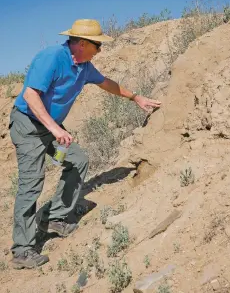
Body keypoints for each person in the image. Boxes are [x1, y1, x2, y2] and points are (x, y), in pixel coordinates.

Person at [9, 19, 161, 269]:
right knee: (31, 183)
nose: (100, 50)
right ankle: (22, 250)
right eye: (97, 45)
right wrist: (55, 128)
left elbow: (107, 84)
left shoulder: (84, 67)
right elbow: (30, 95)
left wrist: (136, 97)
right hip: (28, 125)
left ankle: (55, 217)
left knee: (78, 160)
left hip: (50, 127)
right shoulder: (52, 57)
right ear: (81, 43)